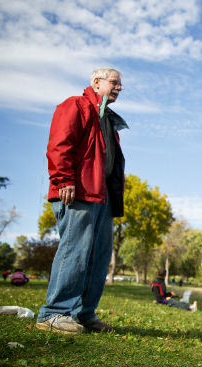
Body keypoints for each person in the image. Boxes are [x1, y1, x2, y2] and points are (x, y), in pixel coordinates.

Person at [36, 68, 128, 334]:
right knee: (75, 252)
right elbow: (59, 143)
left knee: (98, 258)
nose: (119, 87)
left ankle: (83, 313)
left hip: (103, 196)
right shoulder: (75, 105)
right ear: (96, 83)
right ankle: (55, 313)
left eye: (121, 84)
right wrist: (63, 179)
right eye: (115, 82)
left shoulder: (108, 119)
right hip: (78, 192)